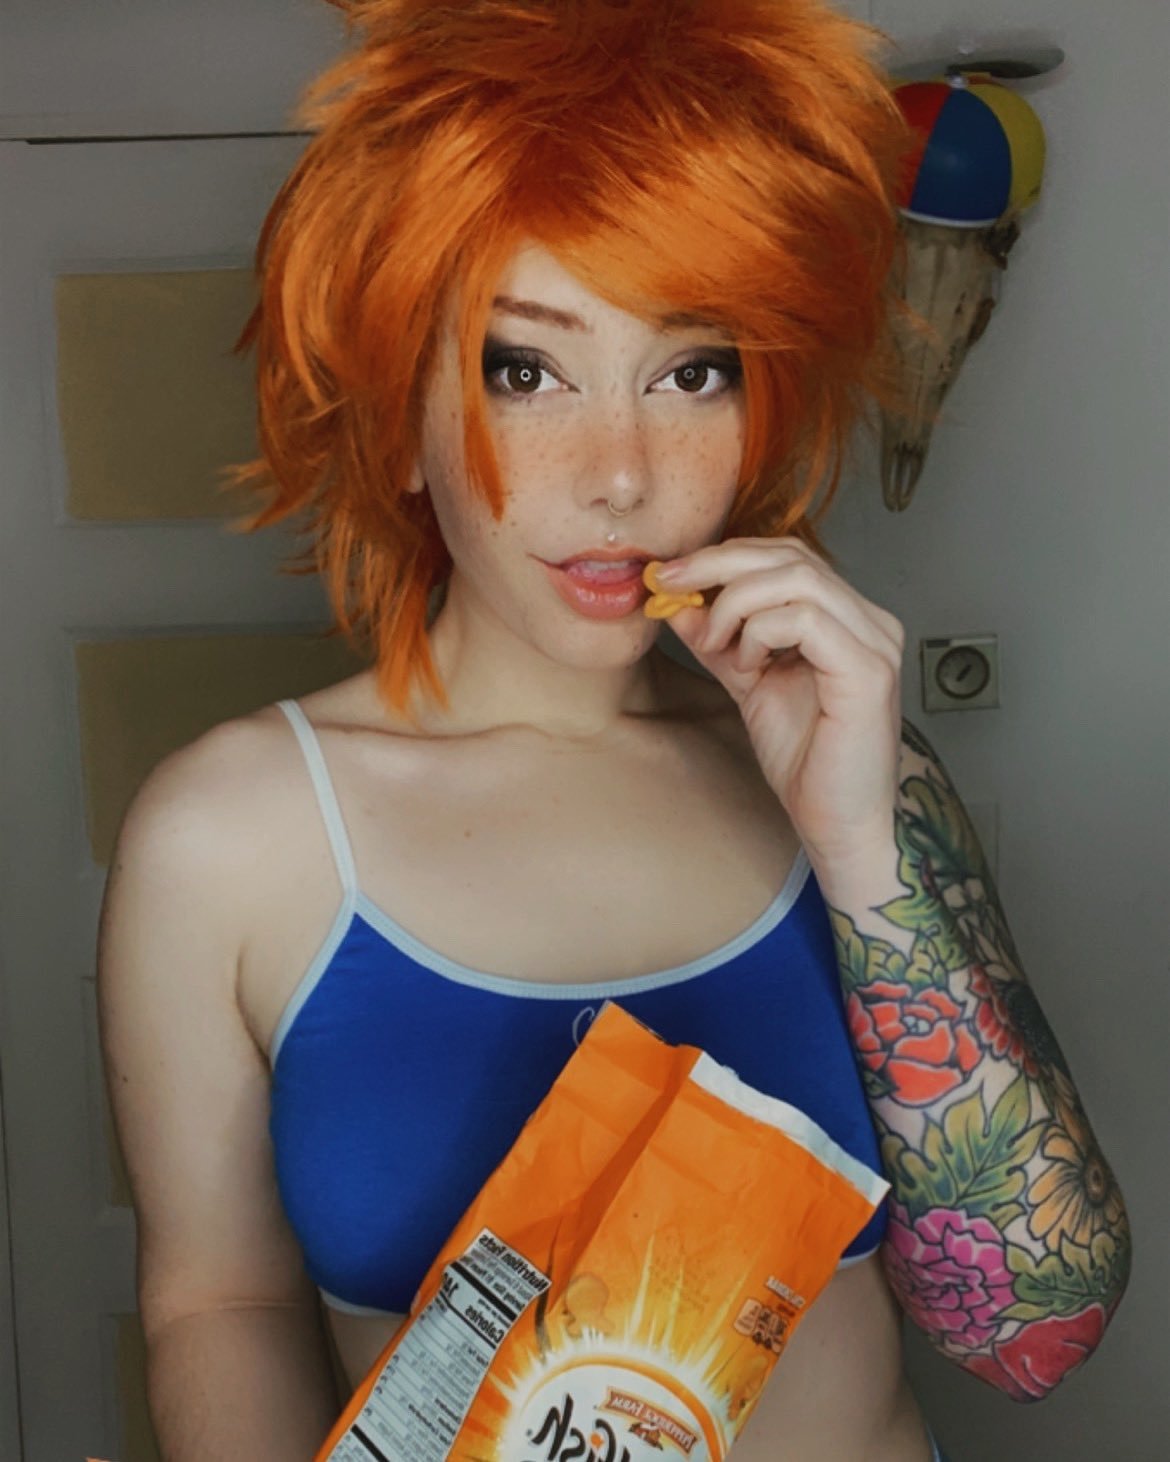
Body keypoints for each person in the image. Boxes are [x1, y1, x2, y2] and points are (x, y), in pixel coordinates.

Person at [96, 2, 1131, 1459]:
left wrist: (860, 844)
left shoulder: (850, 773)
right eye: (525, 370)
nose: (623, 477)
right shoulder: (229, 837)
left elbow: (1032, 1335)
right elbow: (220, 1301)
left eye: (691, 370)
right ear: (400, 416)